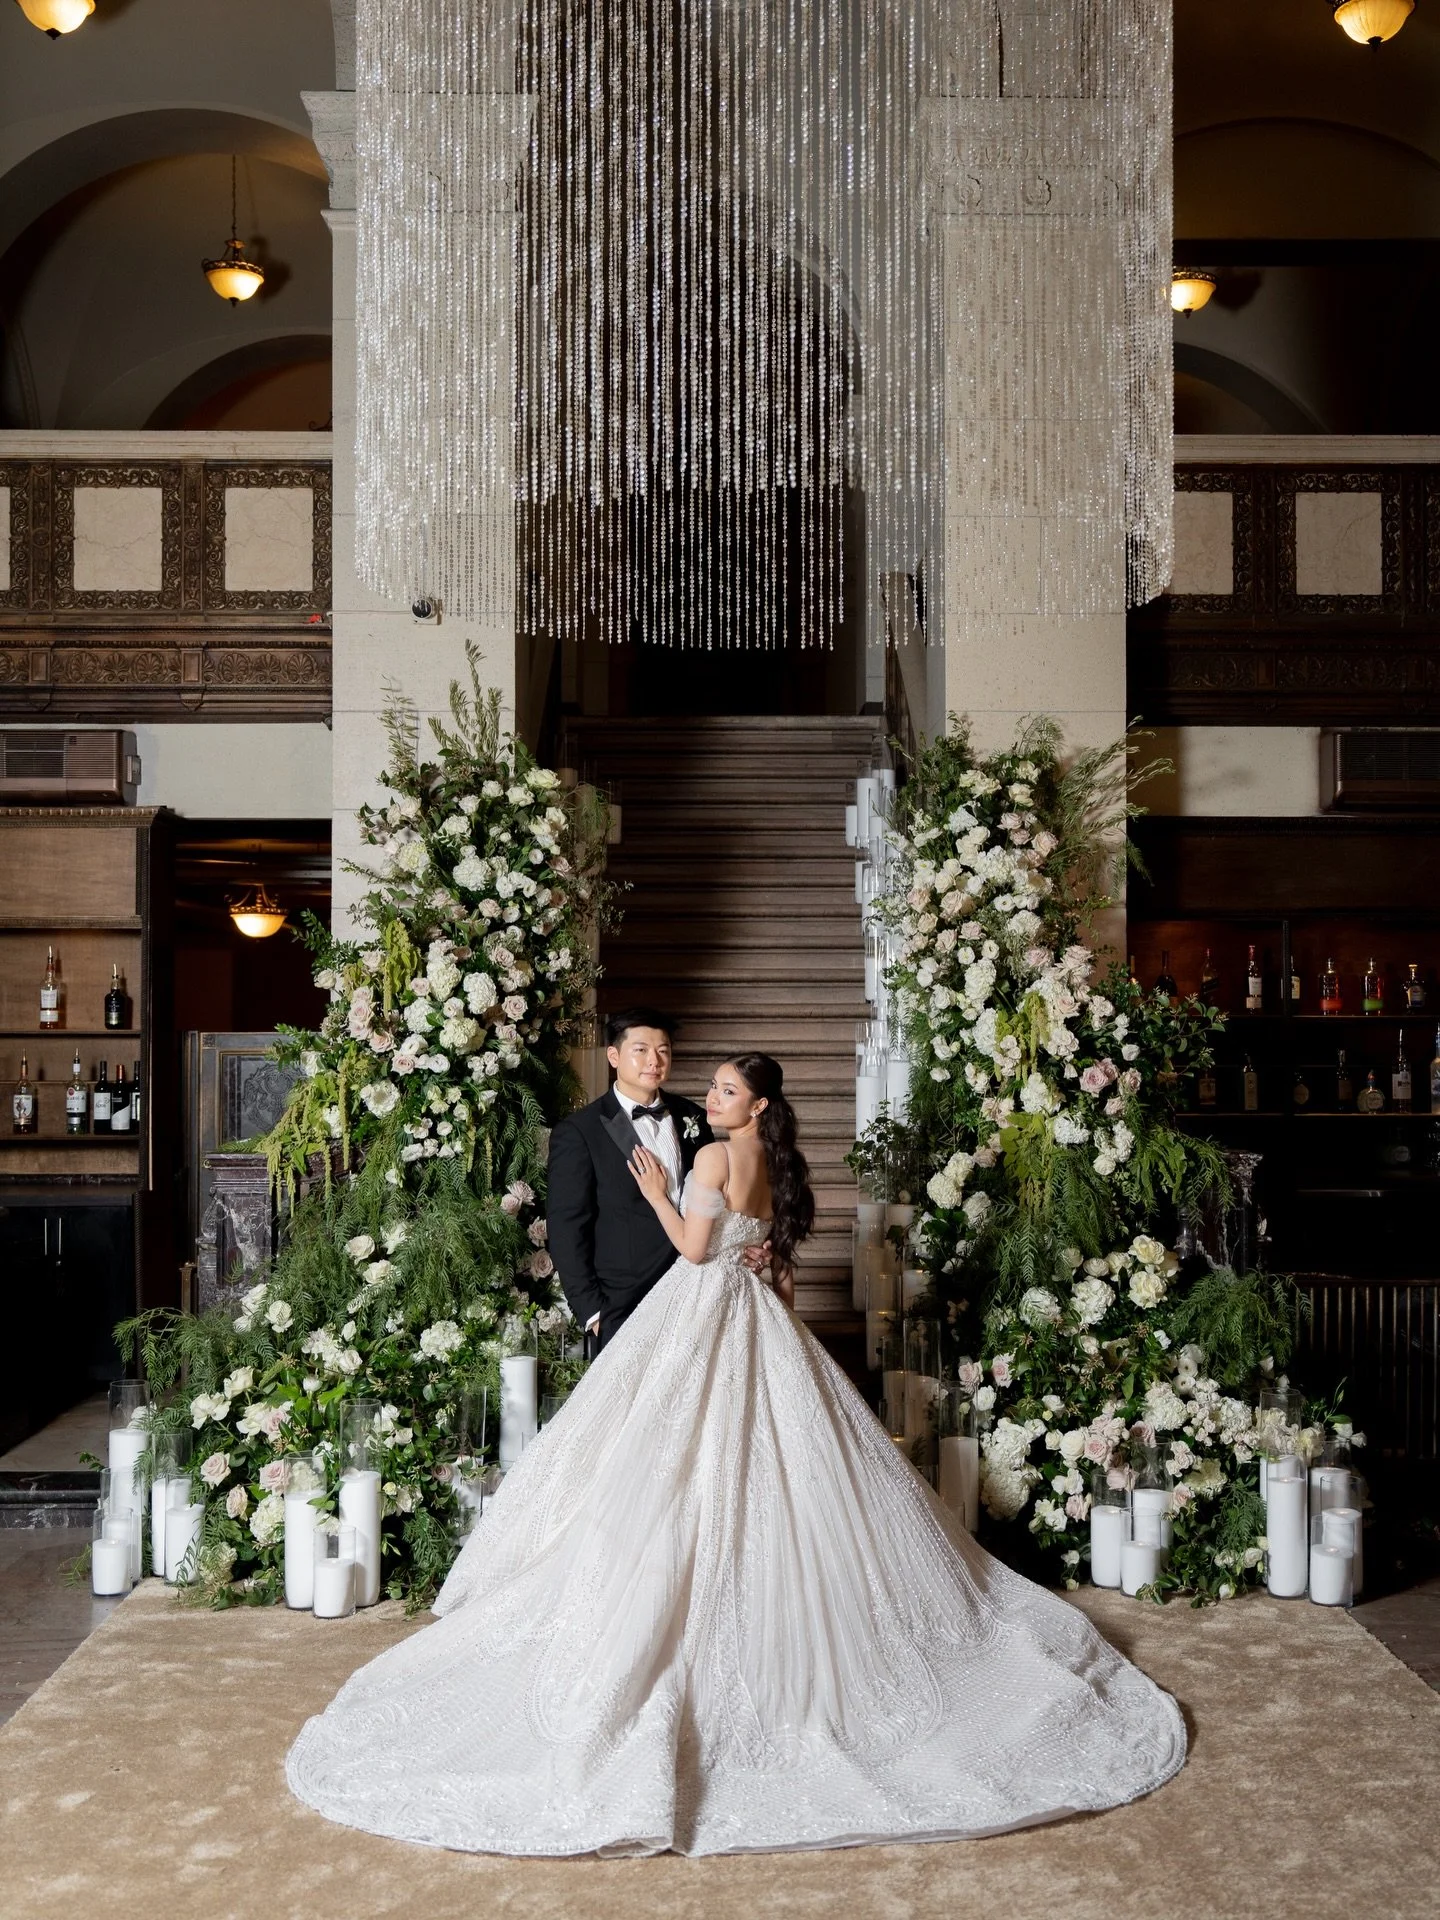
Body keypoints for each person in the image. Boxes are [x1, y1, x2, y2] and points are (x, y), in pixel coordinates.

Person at [287, 1051, 1186, 1857]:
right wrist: (765, 1307)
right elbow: (780, 1272)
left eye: (723, 1091)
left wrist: (652, 1192)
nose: (706, 1100)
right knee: (771, 1469)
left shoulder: (713, 1159)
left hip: (697, 1315)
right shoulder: (780, 1166)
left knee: (666, 1470)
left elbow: (689, 1247)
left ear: (753, 1108)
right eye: (710, 1087)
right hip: (760, 1324)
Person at [546, 1006, 716, 1355]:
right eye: (640, 1050)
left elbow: (716, 1199)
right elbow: (566, 1226)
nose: (654, 1060)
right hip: (621, 1304)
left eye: (663, 1051)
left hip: (694, 1293)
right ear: (614, 1056)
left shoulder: (693, 1117)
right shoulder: (579, 1131)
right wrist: (592, 1311)